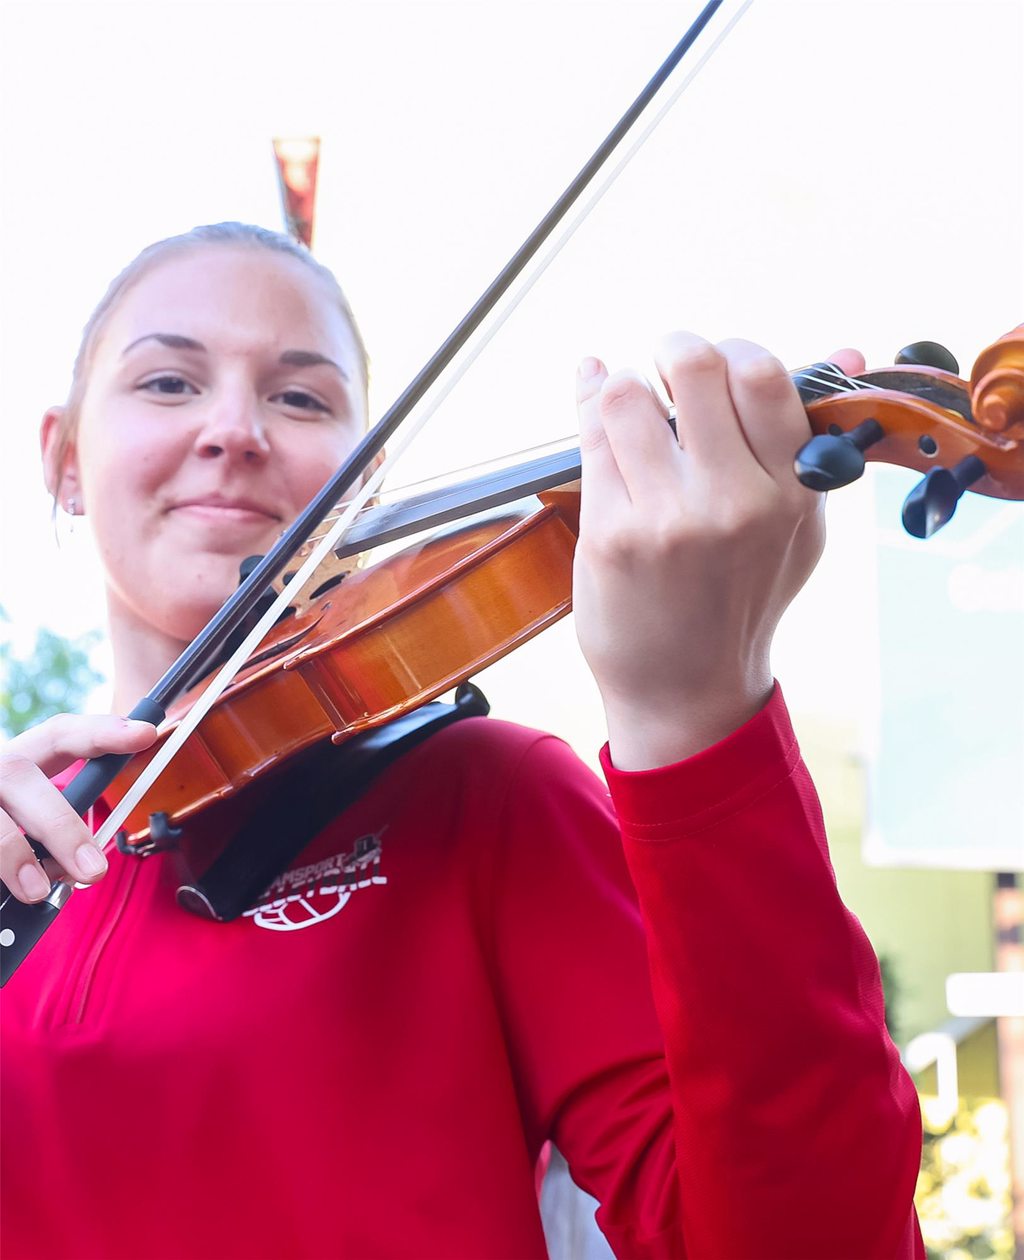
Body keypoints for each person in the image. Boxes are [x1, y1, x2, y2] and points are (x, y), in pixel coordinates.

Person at [0, 222, 924, 1259]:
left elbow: (811, 1238)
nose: (233, 429)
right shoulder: (16, 840)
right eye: (168, 383)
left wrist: (698, 711)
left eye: (300, 396)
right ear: (64, 459)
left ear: (362, 485)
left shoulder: (484, 797)